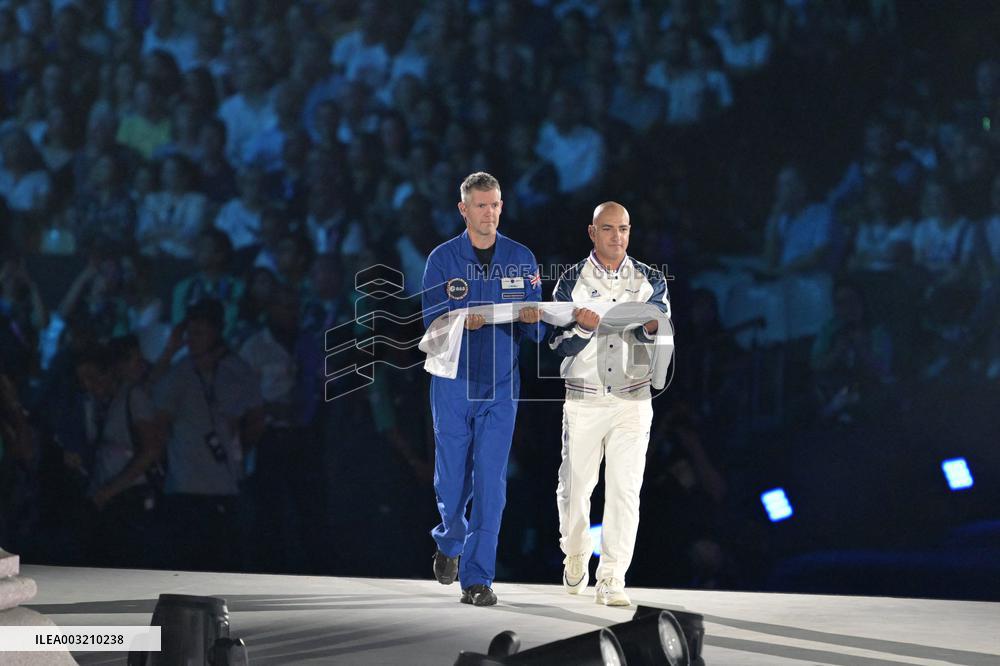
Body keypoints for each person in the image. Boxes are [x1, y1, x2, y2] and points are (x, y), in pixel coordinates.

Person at [420, 172, 542, 606]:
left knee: (492, 483)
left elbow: (540, 323)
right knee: (452, 482)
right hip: (453, 383)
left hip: (500, 385)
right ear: (463, 209)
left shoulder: (521, 258)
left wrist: (534, 321)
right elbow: (429, 323)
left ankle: (477, 579)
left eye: (495, 205)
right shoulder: (442, 259)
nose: (489, 213)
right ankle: (449, 541)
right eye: (480, 205)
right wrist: (457, 321)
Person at [548, 201, 671, 606]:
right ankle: (576, 551)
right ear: (592, 232)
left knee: (625, 490)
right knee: (576, 487)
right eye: (608, 229)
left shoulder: (650, 279)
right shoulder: (570, 280)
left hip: (632, 400)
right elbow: (554, 345)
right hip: (583, 399)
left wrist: (654, 328)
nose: (617, 237)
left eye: (623, 229)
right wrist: (582, 329)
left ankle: (613, 576)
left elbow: (664, 331)